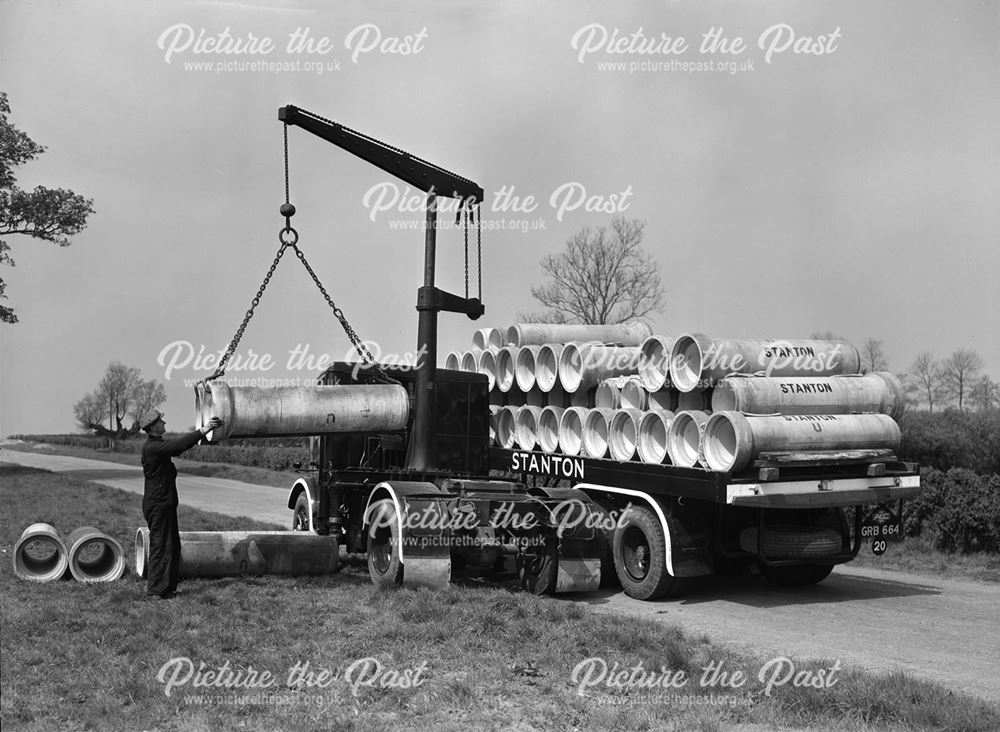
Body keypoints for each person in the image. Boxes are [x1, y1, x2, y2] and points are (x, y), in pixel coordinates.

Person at [140, 410, 222, 600]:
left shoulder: (157, 445)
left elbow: (177, 445)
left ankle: (167, 588)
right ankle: (155, 590)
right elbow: (179, 445)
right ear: (153, 427)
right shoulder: (153, 447)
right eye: (160, 420)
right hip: (158, 505)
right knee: (160, 546)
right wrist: (204, 429)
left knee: (171, 546)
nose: (164, 422)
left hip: (164, 504)